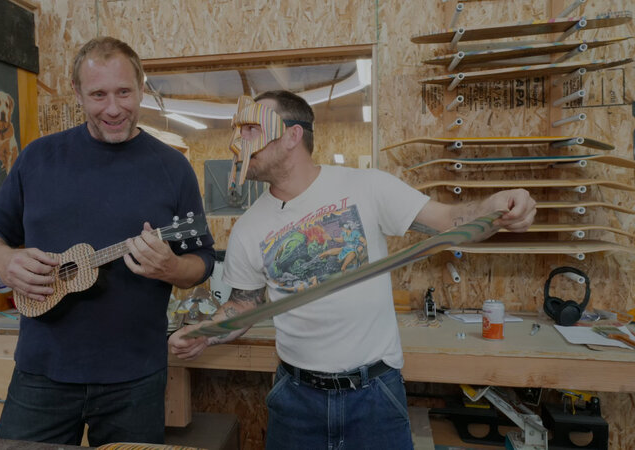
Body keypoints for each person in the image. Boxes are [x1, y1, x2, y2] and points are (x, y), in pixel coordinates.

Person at [169, 90, 536, 449]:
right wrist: (207, 332)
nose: (239, 141)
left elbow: (450, 220)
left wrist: (496, 208)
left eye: (251, 129)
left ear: (292, 135)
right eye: (238, 130)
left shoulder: (367, 186)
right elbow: (244, 304)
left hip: (374, 397)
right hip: (296, 400)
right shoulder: (249, 227)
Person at [0, 36, 215, 446]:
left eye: (124, 92)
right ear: (77, 93)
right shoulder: (38, 158)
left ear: (141, 88)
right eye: (98, 95)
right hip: (41, 372)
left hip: (135, 377)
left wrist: (172, 268)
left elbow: (203, 261)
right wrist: (3, 261)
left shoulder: (173, 168)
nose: (114, 108)